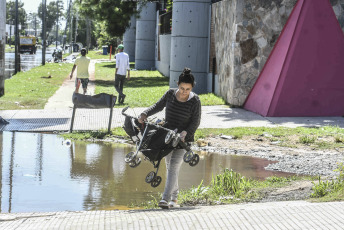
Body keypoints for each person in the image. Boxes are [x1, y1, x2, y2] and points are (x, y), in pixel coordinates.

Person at [138, 67, 201, 209]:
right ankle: (175, 198)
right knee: (170, 168)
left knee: (173, 166)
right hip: (166, 137)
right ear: (177, 84)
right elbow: (158, 106)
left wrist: (186, 132)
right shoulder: (170, 94)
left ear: (192, 88)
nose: (184, 92)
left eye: (188, 89)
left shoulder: (195, 100)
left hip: (183, 140)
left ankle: (165, 199)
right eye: (182, 88)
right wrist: (144, 113)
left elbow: (195, 121)